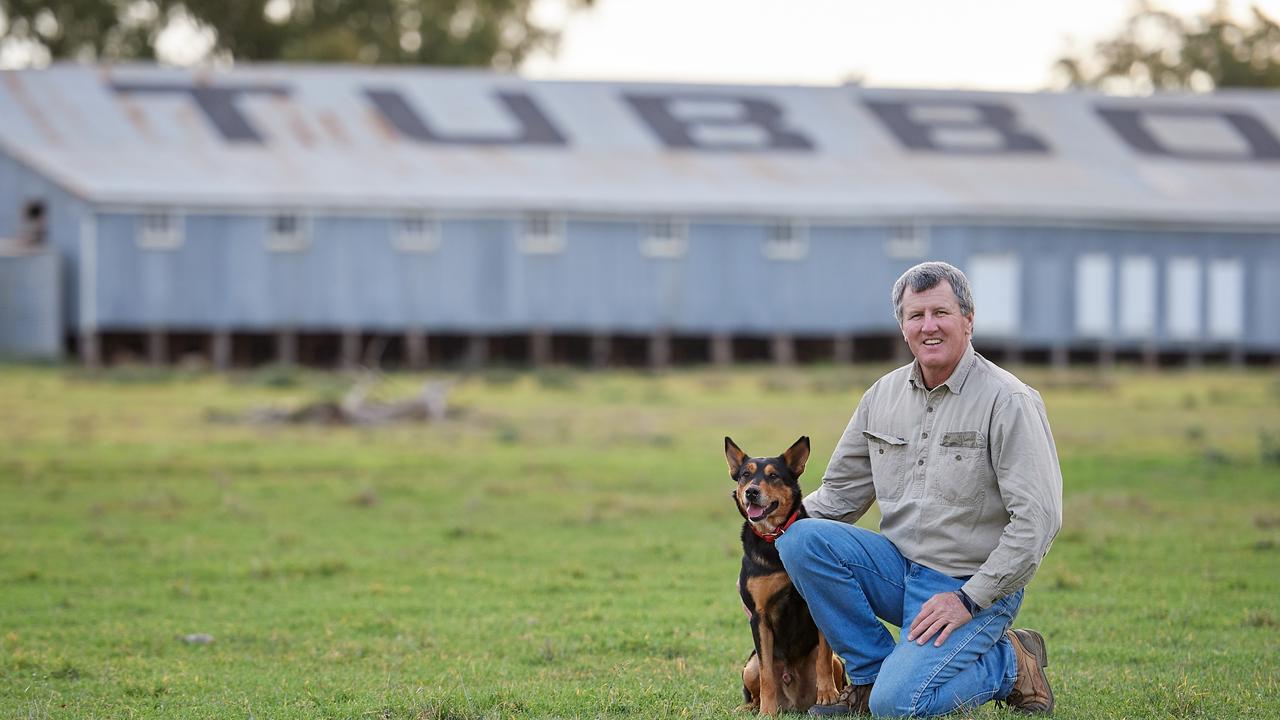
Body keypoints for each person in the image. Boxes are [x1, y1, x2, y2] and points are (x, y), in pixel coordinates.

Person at [776, 261, 1062, 717]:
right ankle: (869, 678)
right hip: (899, 569)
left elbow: (1038, 522)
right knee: (799, 537)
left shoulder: (1009, 401)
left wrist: (970, 598)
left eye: (941, 313)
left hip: (971, 584)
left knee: (901, 705)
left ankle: (1011, 662)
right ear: (903, 326)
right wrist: (764, 540)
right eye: (916, 316)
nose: (928, 326)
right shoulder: (881, 396)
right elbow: (838, 498)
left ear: (968, 320)